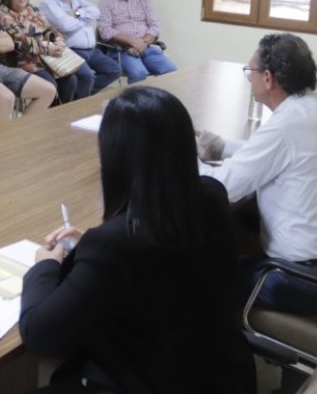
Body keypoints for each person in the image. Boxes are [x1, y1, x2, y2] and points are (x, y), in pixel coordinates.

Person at [20, 87, 256, 393]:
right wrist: (90, 248)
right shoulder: (211, 195)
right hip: (222, 377)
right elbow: (160, 267)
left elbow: (40, 336)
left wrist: (45, 266)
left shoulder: (115, 243)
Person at [197, 33, 317, 314]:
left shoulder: (288, 124)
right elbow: (274, 153)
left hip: (303, 281)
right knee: (241, 227)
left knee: (198, 279)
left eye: (249, 71)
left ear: (267, 78)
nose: (248, 78)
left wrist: (180, 156)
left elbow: (220, 187)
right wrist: (222, 147)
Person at [0, 0, 84, 103]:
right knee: (50, 85)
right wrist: (48, 48)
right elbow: (20, 41)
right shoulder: (3, 14)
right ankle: (49, 118)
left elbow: (49, 29)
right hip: (22, 62)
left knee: (71, 81)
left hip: (47, 60)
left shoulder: (33, 9)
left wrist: (57, 40)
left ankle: (61, 115)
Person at [40, 0, 120, 94]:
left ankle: (83, 96)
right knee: (87, 77)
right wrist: (85, 18)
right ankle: (78, 104)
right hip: (71, 50)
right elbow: (64, 25)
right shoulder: (47, 1)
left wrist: (76, 13)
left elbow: (96, 11)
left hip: (91, 50)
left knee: (114, 70)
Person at [97, 0, 177, 82]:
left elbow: (155, 26)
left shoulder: (144, 0)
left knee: (170, 70)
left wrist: (141, 44)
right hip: (120, 50)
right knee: (139, 73)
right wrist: (132, 42)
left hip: (146, 47)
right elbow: (106, 31)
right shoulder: (106, 2)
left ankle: (157, 100)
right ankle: (134, 101)